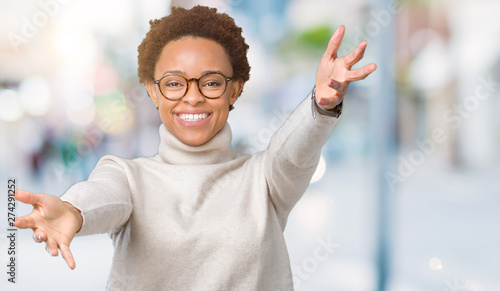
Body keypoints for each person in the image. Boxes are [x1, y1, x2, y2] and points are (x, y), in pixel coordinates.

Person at [14, 5, 376, 290]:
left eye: (211, 82)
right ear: (153, 91)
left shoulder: (263, 180)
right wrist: (74, 211)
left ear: (234, 90)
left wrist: (321, 103)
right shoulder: (127, 175)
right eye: (174, 83)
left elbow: (293, 150)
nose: (192, 97)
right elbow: (104, 196)